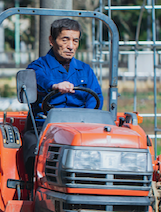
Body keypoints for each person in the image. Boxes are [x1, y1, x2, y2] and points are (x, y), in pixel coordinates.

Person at [21, 18, 103, 175]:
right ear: (52, 40)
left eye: (75, 41)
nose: (71, 46)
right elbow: (38, 79)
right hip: (45, 126)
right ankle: (33, 186)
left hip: (80, 127)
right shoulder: (38, 66)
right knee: (33, 153)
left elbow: (95, 97)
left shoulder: (85, 70)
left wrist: (88, 118)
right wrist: (54, 86)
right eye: (65, 40)